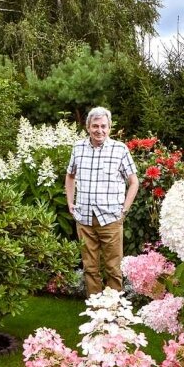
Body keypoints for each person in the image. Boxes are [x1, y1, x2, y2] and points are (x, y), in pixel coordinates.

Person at [65, 106, 139, 296]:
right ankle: (95, 314)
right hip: (84, 219)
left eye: (104, 126)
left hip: (111, 219)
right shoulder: (78, 148)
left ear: (110, 127)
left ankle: (113, 314)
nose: (100, 130)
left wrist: (124, 210)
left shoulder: (119, 149)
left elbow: (133, 182)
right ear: (88, 127)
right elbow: (70, 176)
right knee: (90, 269)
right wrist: (70, 202)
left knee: (114, 270)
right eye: (95, 126)